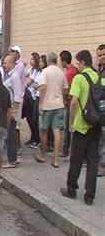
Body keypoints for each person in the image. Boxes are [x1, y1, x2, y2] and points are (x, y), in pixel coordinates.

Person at [61, 50, 104, 206]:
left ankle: (71, 189)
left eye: (78, 63)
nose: (77, 65)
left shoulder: (79, 78)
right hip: (96, 124)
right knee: (93, 162)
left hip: (81, 125)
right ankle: (89, 195)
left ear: (83, 62)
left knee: (76, 160)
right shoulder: (98, 76)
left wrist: (71, 122)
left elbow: (73, 102)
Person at [35, 52, 68, 167]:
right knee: (57, 131)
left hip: (47, 104)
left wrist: (40, 104)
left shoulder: (45, 71)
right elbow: (65, 89)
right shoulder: (61, 72)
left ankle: (43, 154)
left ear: (48, 61)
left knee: (44, 129)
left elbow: (43, 87)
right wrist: (62, 99)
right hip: (59, 105)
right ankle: (56, 159)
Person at [2, 56, 22, 168]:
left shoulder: (14, 77)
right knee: (9, 134)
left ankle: (12, 160)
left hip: (12, 111)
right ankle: (12, 158)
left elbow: (17, 96)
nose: (4, 65)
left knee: (11, 135)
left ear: (11, 63)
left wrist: (14, 111)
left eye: (5, 63)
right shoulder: (9, 76)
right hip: (8, 110)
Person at [60, 50, 78, 158]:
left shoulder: (70, 72)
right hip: (70, 102)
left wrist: (64, 99)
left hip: (70, 103)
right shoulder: (72, 70)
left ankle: (67, 151)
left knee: (68, 127)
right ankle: (66, 150)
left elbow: (67, 89)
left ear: (64, 61)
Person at [25, 53, 41, 148]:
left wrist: (26, 79)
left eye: (32, 59)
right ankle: (32, 137)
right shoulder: (30, 69)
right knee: (29, 118)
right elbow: (24, 75)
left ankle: (36, 138)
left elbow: (28, 82)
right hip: (28, 95)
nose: (30, 61)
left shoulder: (37, 71)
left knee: (33, 119)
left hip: (33, 97)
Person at [96, 44, 105, 177]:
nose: (102, 57)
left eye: (104, 55)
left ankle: (103, 165)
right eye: (100, 55)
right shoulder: (99, 70)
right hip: (99, 108)